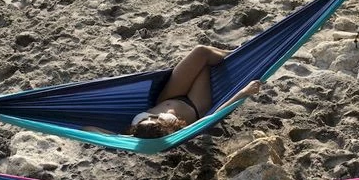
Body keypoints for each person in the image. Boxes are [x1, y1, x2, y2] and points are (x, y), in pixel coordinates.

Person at [84, 45, 262, 138]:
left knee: (200, 52)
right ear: (165, 128)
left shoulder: (132, 135)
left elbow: (88, 128)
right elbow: (214, 116)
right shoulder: (175, 134)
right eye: (157, 120)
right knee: (206, 62)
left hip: (168, 96)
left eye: (147, 119)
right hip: (195, 104)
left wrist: (115, 139)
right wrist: (243, 93)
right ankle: (245, 55)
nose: (153, 117)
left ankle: (236, 52)